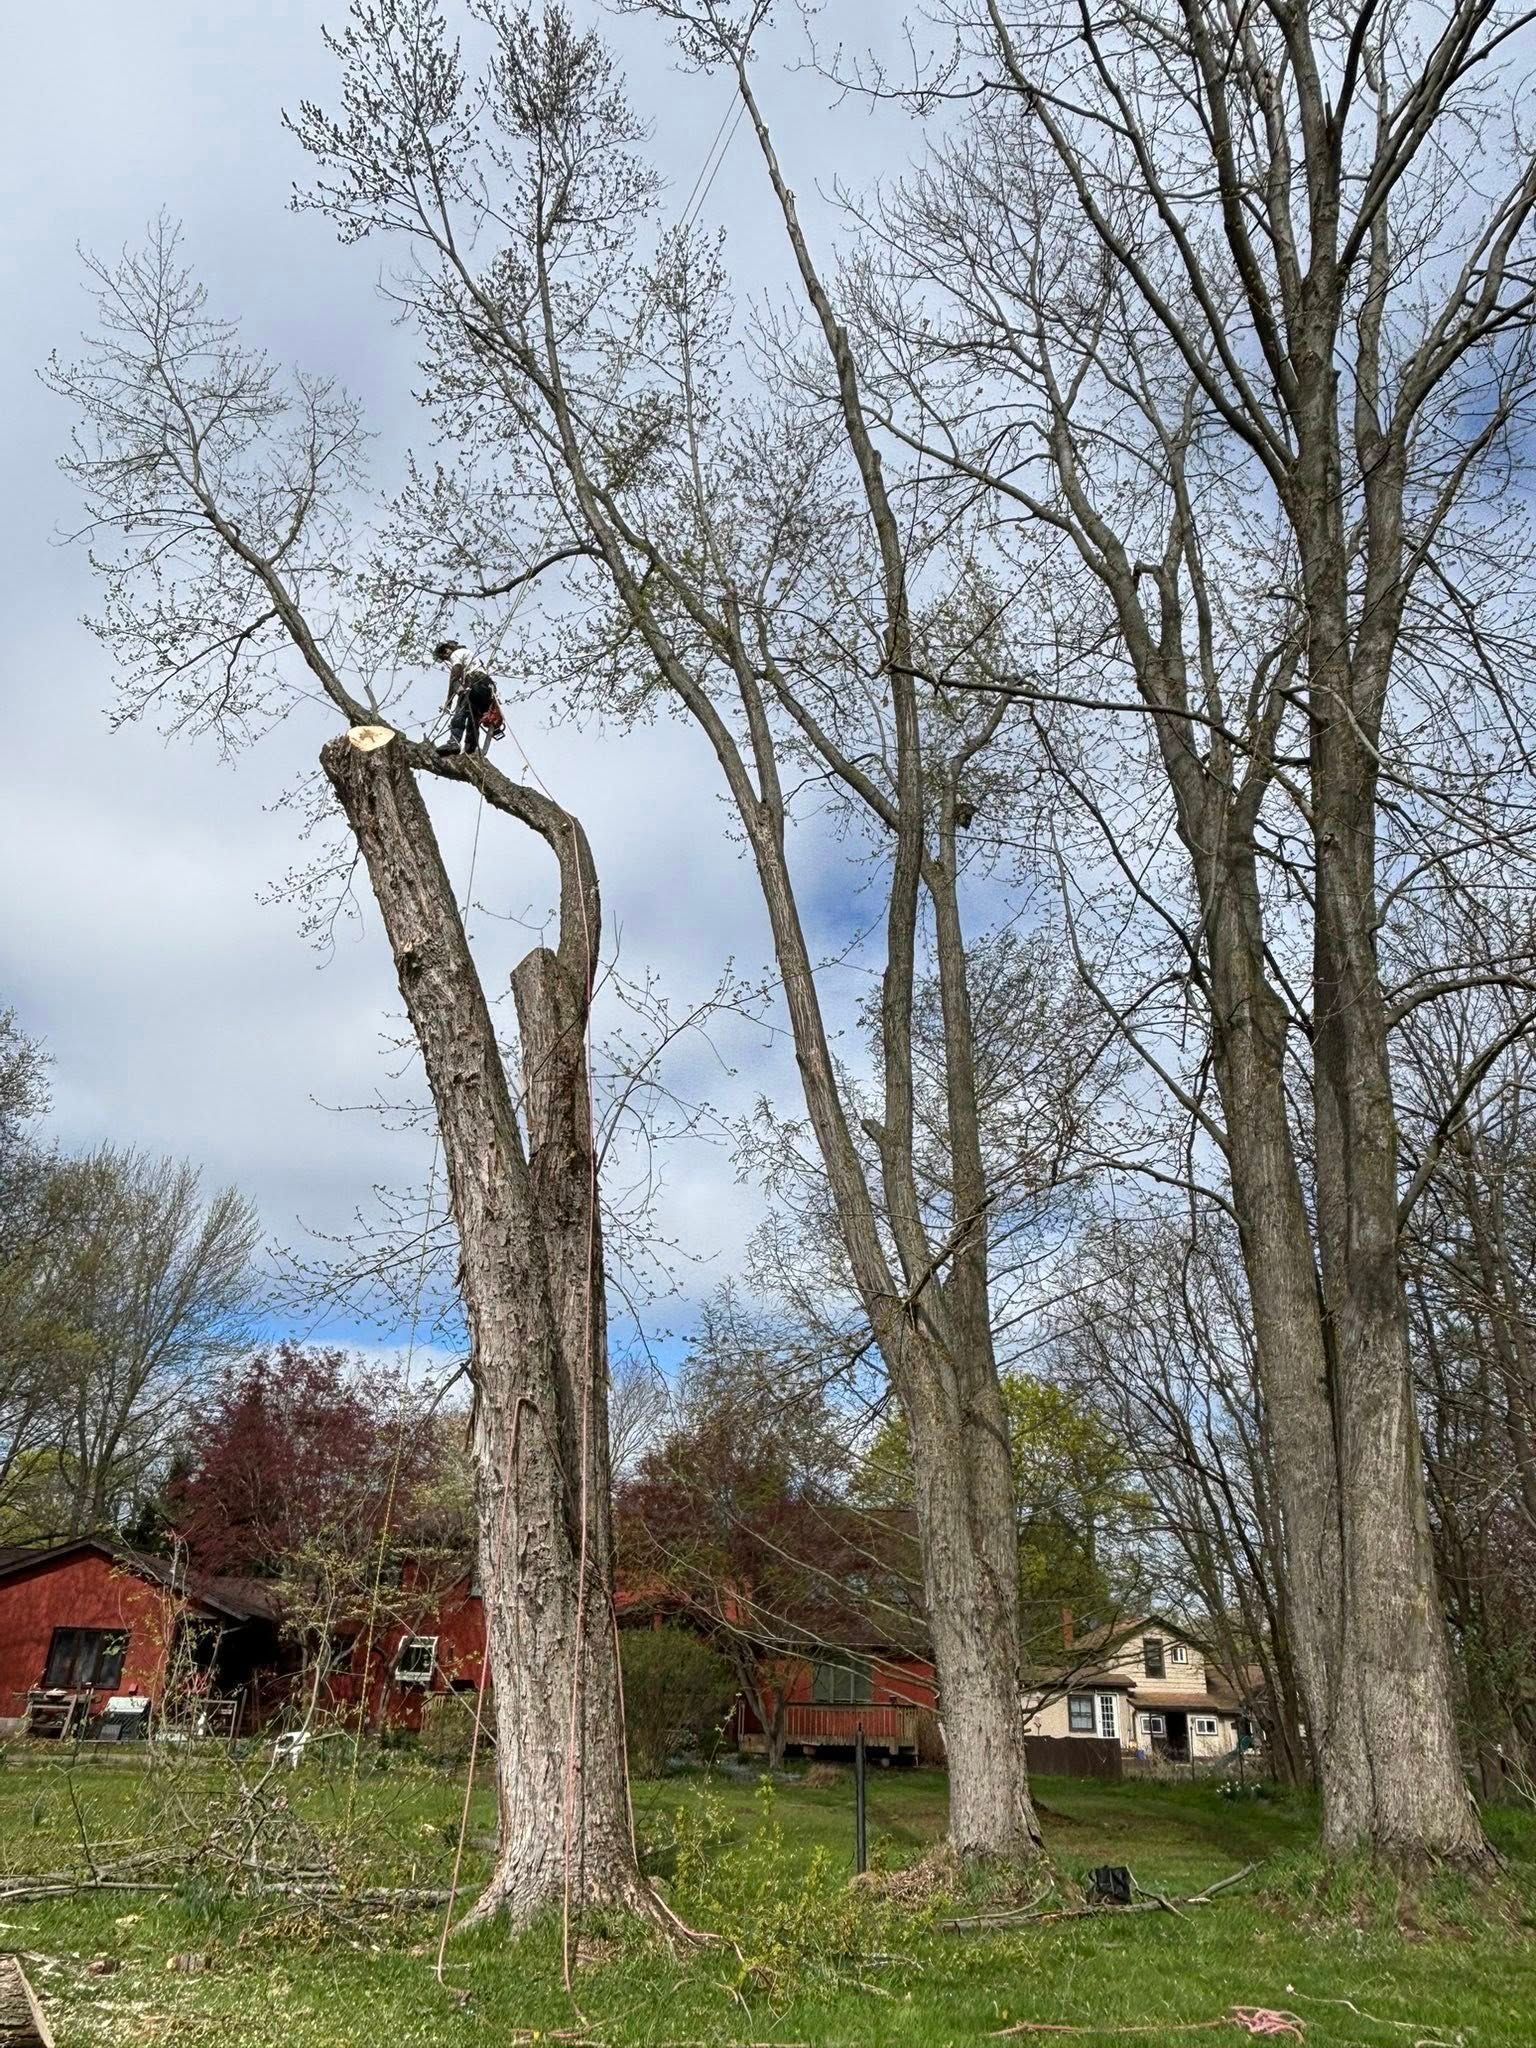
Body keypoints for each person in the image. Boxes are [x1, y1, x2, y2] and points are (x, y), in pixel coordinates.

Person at [434, 639, 497, 755]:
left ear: (449, 647)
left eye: (444, 652)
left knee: (460, 714)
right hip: (487, 689)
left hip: (476, 684)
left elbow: (454, 676)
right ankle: (470, 748)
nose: (445, 656)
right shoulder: (470, 656)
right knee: (474, 719)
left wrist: (449, 700)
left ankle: (454, 743)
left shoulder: (456, 654)